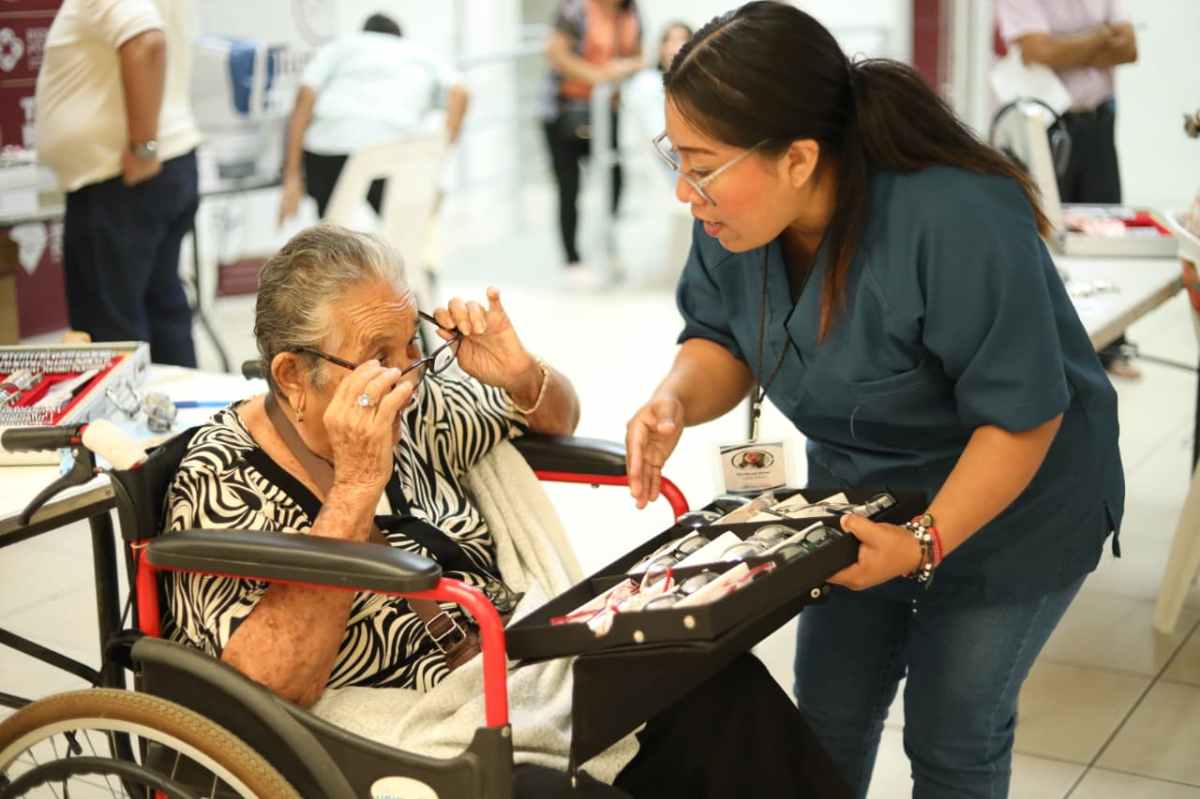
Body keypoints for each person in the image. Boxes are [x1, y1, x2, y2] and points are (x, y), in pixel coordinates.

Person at [624, 3, 1124, 797]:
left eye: (703, 165)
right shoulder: (730, 221)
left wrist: (924, 542)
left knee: (953, 730)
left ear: (797, 158)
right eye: (675, 158)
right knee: (827, 711)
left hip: (1017, 508)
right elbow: (722, 338)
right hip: (860, 496)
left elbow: (1021, 416)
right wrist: (674, 398)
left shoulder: (952, 216)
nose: (686, 191)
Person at [163, 224, 848, 797]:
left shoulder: (417, 400)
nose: (410, 375)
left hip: (511, 667)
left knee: (722, 687)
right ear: (292, 375)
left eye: (412, 345)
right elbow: (268, 688)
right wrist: (357, 485)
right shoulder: (219, 477)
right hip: (381, 729)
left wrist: (520, 374)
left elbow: (557, 415)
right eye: (379, 356)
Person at [35, 0, 201, 367]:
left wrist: (143, 147)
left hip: (120, 178)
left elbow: (146, 42)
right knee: (163, 313)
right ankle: (181, 407)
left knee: (111, 333)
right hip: (159, 167)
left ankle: (127, 409)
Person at [997, 0, 1140, 379]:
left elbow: (1129, 48)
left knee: (1105, 232)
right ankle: (1046, 348)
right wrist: (1100, 39)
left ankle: (1111, 348)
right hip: (1042, 124)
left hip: (1098, 121)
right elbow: (1037, 52)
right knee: (1040, 235)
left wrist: (1064, 48)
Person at [277, 13, 469, 224]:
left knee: (333, 227)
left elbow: (304, 100)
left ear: (364, 32)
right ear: (398, 36)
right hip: (390, 147)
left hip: (329, 146)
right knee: (404, 225)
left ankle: (333, 237)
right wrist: (440, 155)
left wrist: (292, 178)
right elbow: (460, 94)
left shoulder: (341, 45)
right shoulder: (418, 53)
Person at [540, 0, 643, 289]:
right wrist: (598, 76)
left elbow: (639, 56)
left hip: (605, 110)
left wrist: (622, 69)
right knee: (569, 186)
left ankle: (606, 245)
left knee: (615, 177)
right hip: (564, 111)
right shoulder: (575, 9)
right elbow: (555, 53)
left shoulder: (630, 11)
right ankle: (572, 259)